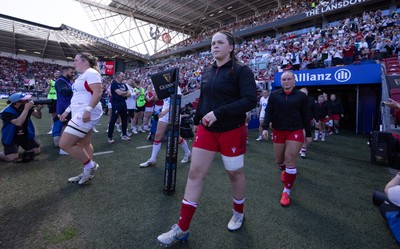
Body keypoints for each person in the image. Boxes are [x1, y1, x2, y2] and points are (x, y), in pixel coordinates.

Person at [157, 31, 257, 246]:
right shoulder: (208, 70)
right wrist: (198, 118)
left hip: (232, 130)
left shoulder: (242, 70)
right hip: (206, 129)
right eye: (212, 43)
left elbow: (250, 100)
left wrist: (219, 113)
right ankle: (182, 228)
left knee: (234, 174)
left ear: (230, 47)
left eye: (220, 42)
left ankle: (238, 212)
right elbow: (204, 98)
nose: (215, 46)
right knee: (194, 174)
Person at [262, 70, 311, 207]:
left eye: (289, 79)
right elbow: (268, 112)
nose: (286, 82)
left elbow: (306, 115)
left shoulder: (301, 96)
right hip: (278, 130)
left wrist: (308, 134)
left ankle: (286, 191)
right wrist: (265, 127)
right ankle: (284, 170)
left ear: (294, 81)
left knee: (290, 158)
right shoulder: (275, 95)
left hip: (295, 131)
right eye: (284, 79)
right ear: (281, 82)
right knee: (279, 160)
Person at [59, 52, 103, 185]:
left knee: (64, 144)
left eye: (76, 60)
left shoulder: (91, 73)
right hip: (80, 110)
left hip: (86, 111)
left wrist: (88, 110)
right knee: (84, 143)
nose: (74, 63)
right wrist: (67, 111)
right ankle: (87, 171)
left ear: (84, 61)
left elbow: (98, 92)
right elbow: (77, 97)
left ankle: (90, 166)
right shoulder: (83, 75)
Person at [139, 85, 191, 168]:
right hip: (164, 114)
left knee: (176, 137)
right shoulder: (164, 86)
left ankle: (188, 153)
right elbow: (157, 99)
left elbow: (177, 102)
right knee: (158, 135)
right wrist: (155, 92)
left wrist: (164, 112)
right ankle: (152, 159)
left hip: (174, 114)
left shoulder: (176, 87)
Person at [0, 93, 42, 162]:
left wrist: (38, 110)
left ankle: (15, 152)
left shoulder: (25, 107)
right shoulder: (6, 112)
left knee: (36, 151)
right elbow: (18, 123)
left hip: (25, 135)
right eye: (25, 100)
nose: (28, 101)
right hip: (11, 137)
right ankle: (8, 154)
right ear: (17, 102)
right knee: (12, 158)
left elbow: (38, 116)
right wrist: (26, 109)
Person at [53, 66, 74, 153]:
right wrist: (75, 87)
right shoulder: (60, 81)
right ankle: (63, 147)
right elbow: (64, 92)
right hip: (63, 107)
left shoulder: (66, 81)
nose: (73, 74)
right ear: (65, 72)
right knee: (65, 127)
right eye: (71, 72)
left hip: (67, 107)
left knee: (67, 126)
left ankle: (65, 144)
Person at [107, 71, 131, 144]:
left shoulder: (124, 84)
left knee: (124, 119)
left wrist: (123, 93)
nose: (124, 77)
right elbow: (119, 93)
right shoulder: (114, 84)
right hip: (116, 104)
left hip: (123, 103)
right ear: (118, 77)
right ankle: (110, 137)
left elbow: (129, 93)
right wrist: (125, 93)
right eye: (122, 76)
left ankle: (124, 135)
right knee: (113, 120)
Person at [299, 87, 317, 159]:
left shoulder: (311, 100)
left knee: (305, 136)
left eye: (304, 93)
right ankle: (301, 149)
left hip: (307, 121)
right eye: (301, 93)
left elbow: (314, 110)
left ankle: (303, 150)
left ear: (307, 93)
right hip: (297, 121)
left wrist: (317, 119)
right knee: (300, 136)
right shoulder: (295, 99)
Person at [45, 70, 60, 134]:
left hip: (59, 100)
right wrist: (49, 85)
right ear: (54, 74)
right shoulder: (50, 81)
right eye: (56, 73)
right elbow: (46, 91)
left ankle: (59, 128)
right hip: (51, 100)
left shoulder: (61, 81)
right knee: (53, 115)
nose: (57, 74)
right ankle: (53, 128)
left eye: (58, 73)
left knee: (59, 114)